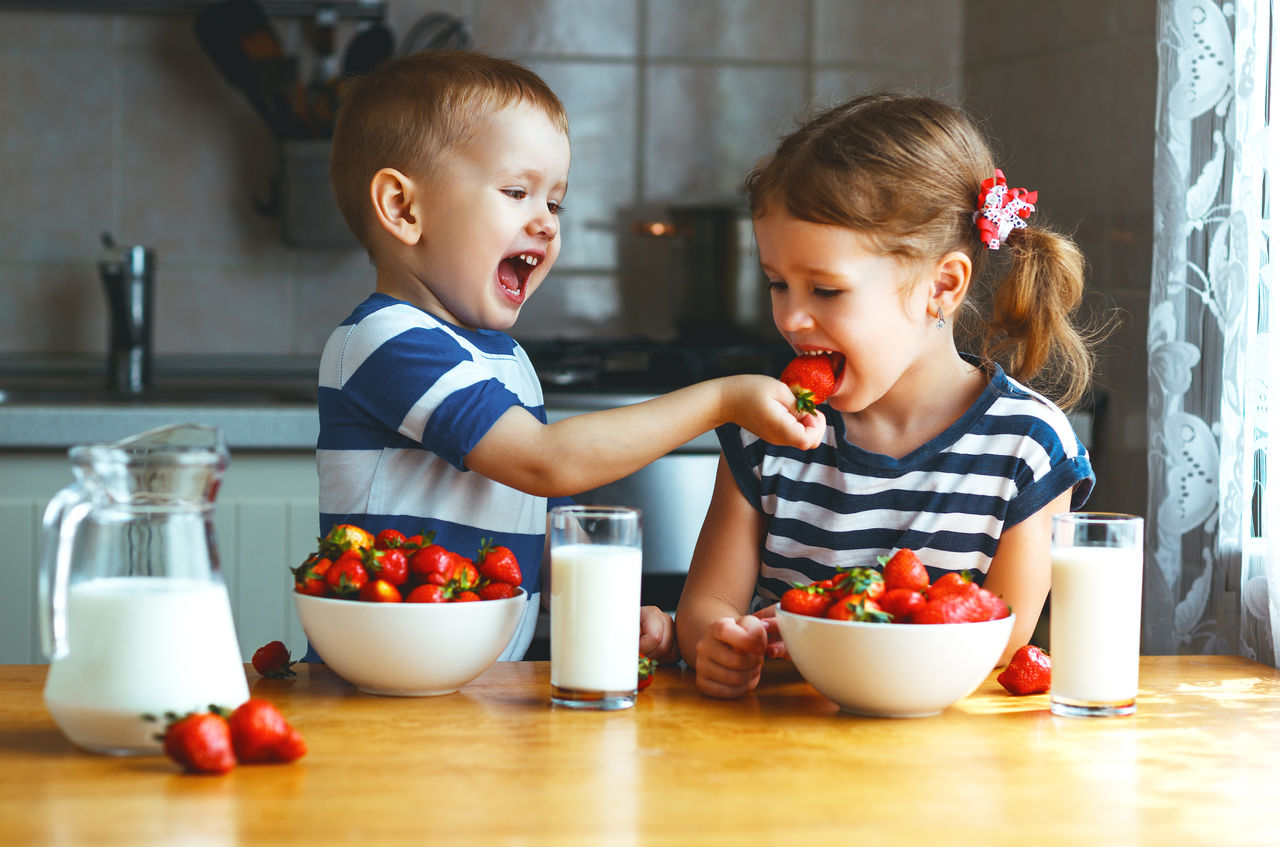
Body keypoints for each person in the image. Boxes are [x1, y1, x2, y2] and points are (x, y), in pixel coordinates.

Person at [317, 50, 824, 663]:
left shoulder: (502, 359)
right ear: (402, 207)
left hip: (475, 690)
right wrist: (721, 399)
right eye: (516, 191)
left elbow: (536, 525)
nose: (548, 223)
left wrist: (604, 612)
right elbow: (544, 464)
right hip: (384, 684)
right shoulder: (385, 340)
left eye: (554, 202)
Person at [675, 92, 1098, 698]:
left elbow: (999, 639)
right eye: (777, 284)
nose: (792, 318)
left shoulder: (1028, 445)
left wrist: (838, 639)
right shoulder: (764, 430)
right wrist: (717, 641)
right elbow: (706, 605)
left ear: (941, 287)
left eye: (825, 290)